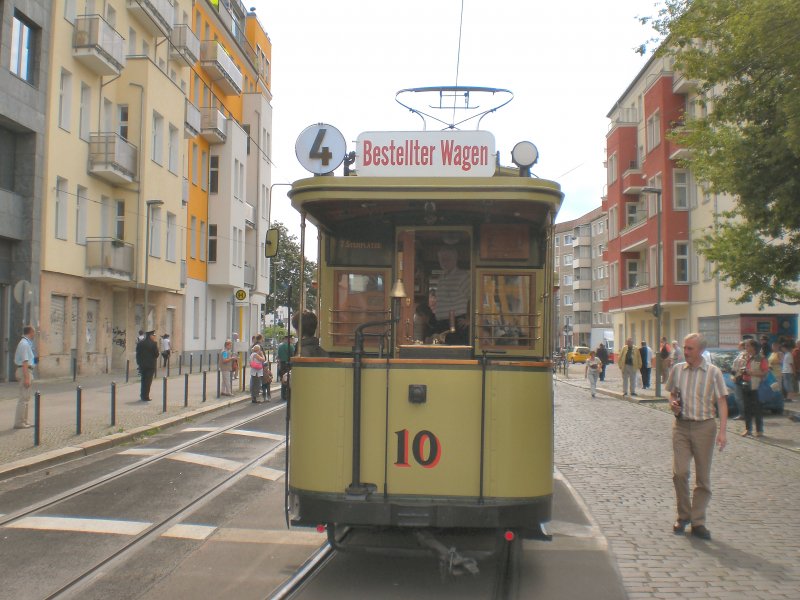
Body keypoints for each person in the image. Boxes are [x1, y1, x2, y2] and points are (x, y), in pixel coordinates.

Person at [666, 332, 728, 541]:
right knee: (679, 473)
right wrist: (672, 402)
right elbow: (672, 393)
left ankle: (698, 520)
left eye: (690, 348)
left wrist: (722, 432)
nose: (686, 352)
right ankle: (683, 515)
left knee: (703, 478)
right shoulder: (677, 370)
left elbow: (721, 402)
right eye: (684, 348)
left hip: (704, 427)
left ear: (701, 350)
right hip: (682, 426)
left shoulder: (713, 372)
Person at [431, 246, 470, 345]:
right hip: (441, 323)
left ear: (455, 259)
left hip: (457, 323)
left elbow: (473, 298)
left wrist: (469, 319)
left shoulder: (463, 276)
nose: (444, 262)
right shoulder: (441, 278)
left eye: (447, 259)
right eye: (441, 259)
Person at [740, 338, 768, 438]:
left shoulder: (761, 358)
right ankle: (748, 429)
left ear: (753, 347)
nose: (745, 348)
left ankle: (759, 430)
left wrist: (751, 372)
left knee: (757, 408)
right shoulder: (745, 357)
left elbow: (765, 373)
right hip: (745, 384)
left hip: (756, 385)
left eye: (747, 346)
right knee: (746, 408)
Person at [13, 326, 36, 429]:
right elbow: (25, 361)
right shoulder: (24, 344)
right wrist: (27, 377)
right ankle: (19, 422)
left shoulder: (26, 343)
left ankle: (24, 420)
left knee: (26, 397)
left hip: (25, 370)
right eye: (34, 332)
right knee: (23, 398)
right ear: (30, 332)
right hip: (24, 371)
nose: (34, 334)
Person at [136, 330, 159, 401]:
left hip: (142, 365)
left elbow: (138, 354)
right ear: (150, 336)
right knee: (148, 381)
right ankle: (146, 396)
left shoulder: (140, 343)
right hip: (150, 365)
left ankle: (142, 394)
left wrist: (139, 363)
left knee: (143, 380)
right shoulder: (153, 344)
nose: (154, 337)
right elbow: (156, 354)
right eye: (154, 335)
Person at [730, 340, 747, 419]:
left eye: (739, 345)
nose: (738, 346)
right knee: (741, 397)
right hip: (739, 377)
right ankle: (743, 414)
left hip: (741, 377)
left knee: (739, 397)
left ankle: (743, 414)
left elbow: (738, 367)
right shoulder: (740, 354)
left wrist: (734, 375)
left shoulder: (744, 355)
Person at [277, 334, 295, 401]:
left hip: (282, 364)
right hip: (289, 364)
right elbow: (293, 355)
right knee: (289, 379)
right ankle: (288, 395)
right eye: (291, 339)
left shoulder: (280, 346)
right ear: (289, 339)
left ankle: (283, 395)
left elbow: (278, 356)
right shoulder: (291, 346)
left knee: (283, 380)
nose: (292, 340)